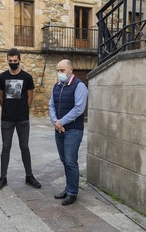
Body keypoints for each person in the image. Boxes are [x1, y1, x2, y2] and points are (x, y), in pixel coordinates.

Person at [0, 48, 41, 190]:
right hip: (7, 118)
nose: (13, 63)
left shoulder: (27, 77)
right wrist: (8, 109)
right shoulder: (2, 77)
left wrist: (22, 110)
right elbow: (0, 97)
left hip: (23, 119)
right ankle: (3, 177)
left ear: (19, 60)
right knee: (6, 147)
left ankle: (29, 176)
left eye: (15, 61)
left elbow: (30, 97)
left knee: (24, 147)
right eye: (10, 61)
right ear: (7, 60)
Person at [48, 59, 88, 206]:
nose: (60, 73)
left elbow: (79, 108)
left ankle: (72, 192)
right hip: (59, 129)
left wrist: (61, 122)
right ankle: (68, 188)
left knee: (71, 161)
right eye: (58, 71)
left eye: (62, 70)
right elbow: (51, 105)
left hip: (73, 130)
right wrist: (55, 122)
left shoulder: (80, 86)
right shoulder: (56, 86)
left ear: (70, 70)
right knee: (65, 161)